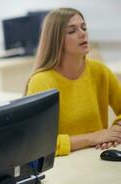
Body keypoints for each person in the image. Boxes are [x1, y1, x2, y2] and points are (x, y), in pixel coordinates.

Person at [25, 8, 121, 156]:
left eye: (84, 28)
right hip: (63, 166)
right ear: (55, 40)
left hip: (98, 156)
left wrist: (116, 130)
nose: (83, 33)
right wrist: (91, 138)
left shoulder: (99, 71)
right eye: (71, 31)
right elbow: (36, 142)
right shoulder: (41, 81)